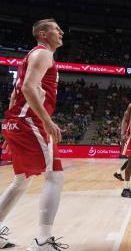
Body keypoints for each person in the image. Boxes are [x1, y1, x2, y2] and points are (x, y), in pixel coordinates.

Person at [0, 19, 67, 250]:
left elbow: (13, 95)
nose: (61, 32)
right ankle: (43, 241)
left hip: (17, 121)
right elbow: (28, 88)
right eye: (56, 29)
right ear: (42, 34)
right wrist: (47, 121)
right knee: (55, 176)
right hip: (30, 121)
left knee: (21, 181)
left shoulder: (32, 56)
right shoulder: (43, 54)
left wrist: (12, 128)